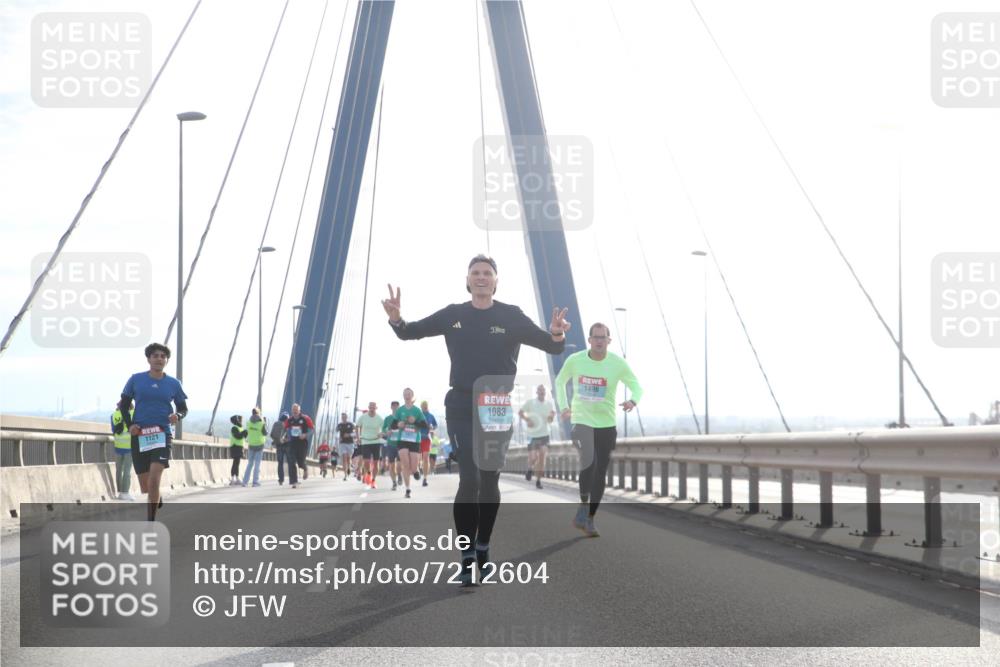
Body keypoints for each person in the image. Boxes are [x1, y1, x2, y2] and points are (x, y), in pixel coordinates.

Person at [383, 254, 570, 584]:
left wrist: (555, 334)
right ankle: (467, 557)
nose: (481, 277)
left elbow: (551, 347)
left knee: (488, 481)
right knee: (469, 479)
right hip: (460, 404)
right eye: (475, 273)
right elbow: (411, 332)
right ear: (467, 280)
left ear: (496, 281)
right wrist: (397, 319)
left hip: (495, 405)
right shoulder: (454, 314)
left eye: (487, 273)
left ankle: (483, 545)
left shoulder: (511, 316)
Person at [555, 322, 643, 538]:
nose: (599, 341)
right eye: (595, 337)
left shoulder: (617, 363)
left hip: (607, 426)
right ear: (589, 340)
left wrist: (633, 400)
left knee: (600, 472)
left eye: (603, 337)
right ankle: (583, 506)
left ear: (609, 340)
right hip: (582, 423)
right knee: (589, 462)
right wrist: (565, 407)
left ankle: (589, 518)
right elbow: (559, 382)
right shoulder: (575, 360)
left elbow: (637, 386)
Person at [117, 342, 188, 521]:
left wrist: (177, 415)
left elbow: (183, 408)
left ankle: (151, 522)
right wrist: (130, 425)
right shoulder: (136, 379)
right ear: (148, 359)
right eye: (155, 356)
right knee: (147, 486)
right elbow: (124, 406)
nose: (159, 359)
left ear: (166, 360)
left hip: (162, 434)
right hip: (140, 434)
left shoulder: (173, 383)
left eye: (162, 356)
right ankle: (157, 496)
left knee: (154, 480)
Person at [519, 384, 556, 489]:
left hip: (544, 434)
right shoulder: (530, 403)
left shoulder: (549, 404)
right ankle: (530, 469)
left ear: (545, 392)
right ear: (537, 392)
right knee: (534, 457)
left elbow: (549, 420)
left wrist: (551, 417)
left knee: (542, 456)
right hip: (533, 435)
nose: (542, 392)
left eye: (543, 390)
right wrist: (528, 420)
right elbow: (521, 412)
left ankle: (538, 481)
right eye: (540, 390)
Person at [393, 388, 426, 499]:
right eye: (405, 394)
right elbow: (393, 425)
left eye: (409, 394)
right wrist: (399, 424)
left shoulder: (417, 410)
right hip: (402, 440)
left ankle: (416, 470)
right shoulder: (399, 410)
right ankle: (408, 489)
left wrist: (415, 422)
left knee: (412, 467)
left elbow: (424, 425)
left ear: (412, 396)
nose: (407, 396)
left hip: (414, 440)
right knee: (405, 464)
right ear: (403, 396)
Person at [283, 404, 314, 489]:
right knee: (291, 461)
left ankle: (305, 468)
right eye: (293, 410)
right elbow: (285, 430)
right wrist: (285, 438)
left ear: (299, 410)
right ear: (292, 411)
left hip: (302, 443)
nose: (295, 412)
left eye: (296, 410)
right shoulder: (289, 420)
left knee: (300, 463)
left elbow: (312, 429)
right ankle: (294, 481)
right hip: (292, 443)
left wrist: (305, 435)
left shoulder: (305, 418)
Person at [356, 402, 385, 488]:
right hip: (366, 442)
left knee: (376, 463)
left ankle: (373, 480)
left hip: (376, 442)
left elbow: (384, 428)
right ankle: (368, 474)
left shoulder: (379, 418)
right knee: (366, 462)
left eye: (373, 407)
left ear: (376, 408)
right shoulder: (363, 417)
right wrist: (358, 437)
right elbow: (357, 426)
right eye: (370, 407)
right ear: (368, 408)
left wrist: (382, 434)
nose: (372, 409)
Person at [110, 405, 135, 500]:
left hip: (118, 445)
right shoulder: (133, 413)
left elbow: (113, 430)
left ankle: (120, 492)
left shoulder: (114, 415)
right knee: (127, 471)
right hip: (129, 446)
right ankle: (125, 493)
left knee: (119, 470)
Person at [241, 408, 267, 487]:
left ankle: (245, 482)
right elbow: (265, 433)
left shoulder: (248, 423)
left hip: (251, 445)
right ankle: (255, 482)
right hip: (259, 445)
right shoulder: (261, 423)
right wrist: (265, 423)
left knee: (250, 464)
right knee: (257, 464)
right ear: (259, 413)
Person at [381, 400, 402, 489]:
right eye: (393, 406)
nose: (395, 408)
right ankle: (394, 482)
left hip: (400, 444)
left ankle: (400, 475)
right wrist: (387, 431)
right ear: (391, 407)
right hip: (390, 444)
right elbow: (383, 429)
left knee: (399, 465)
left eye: (396, 406)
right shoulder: (387, 418)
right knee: (391, 464)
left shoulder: (402, 418)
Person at [419, 400, 438, 486]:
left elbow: (435, 425)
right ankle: (418, 468)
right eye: (423, 406)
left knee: (426, 458)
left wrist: (432, 428)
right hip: (417, 439)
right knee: (418, 458)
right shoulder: (418, 415)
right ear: (421, 407)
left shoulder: (431, 416)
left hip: (427, 439)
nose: (425, 407)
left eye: (426, 406)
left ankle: (425, 478)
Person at [335, 413, 356, 480]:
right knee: (344, 457)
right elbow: (336, 433)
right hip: (342, 443)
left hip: (350, 443)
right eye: (342, 417)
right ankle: (345, 475)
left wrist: (349, 435)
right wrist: (338, 437)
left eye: (345, 417)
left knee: (348, 458)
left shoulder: (351, 424)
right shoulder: (339, 425)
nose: (343, 418)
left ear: (347, 417)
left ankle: (349, 467)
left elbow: (356, 433)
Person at [229, 415, 247, 485]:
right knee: (235, 463)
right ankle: (233, 478)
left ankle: (236, 477)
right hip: (235, 446)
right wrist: (244, 432)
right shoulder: (234, 428)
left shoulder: (240, 428)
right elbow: (238, 436)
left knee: (237, 463)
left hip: (240, 447)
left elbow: (243, 436)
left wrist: (245, 433)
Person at [271, 412, 288, 485]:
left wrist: (276, 440)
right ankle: (293, 479)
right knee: (290, 461)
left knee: (280, 463)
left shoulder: (275, 423)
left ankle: (281, 479)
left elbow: (271, 434)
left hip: (278, 445)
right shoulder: (286, 424)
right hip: (286, 445)